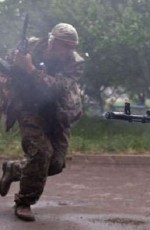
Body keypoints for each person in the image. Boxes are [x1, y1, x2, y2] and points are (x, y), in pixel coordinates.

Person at [0, 23, 84, 221]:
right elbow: (8, 68)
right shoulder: (31, 47)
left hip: (58, 112)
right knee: (41, 153)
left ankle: (13, 169)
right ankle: (24, 202)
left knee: (55, 164)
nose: (69, 51)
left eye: (72, 47)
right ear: (52, 42)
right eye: (65, 46)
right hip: (29, 108)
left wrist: (29, 68)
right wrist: (12, 68)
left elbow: (57, 88)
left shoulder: (75, 63)